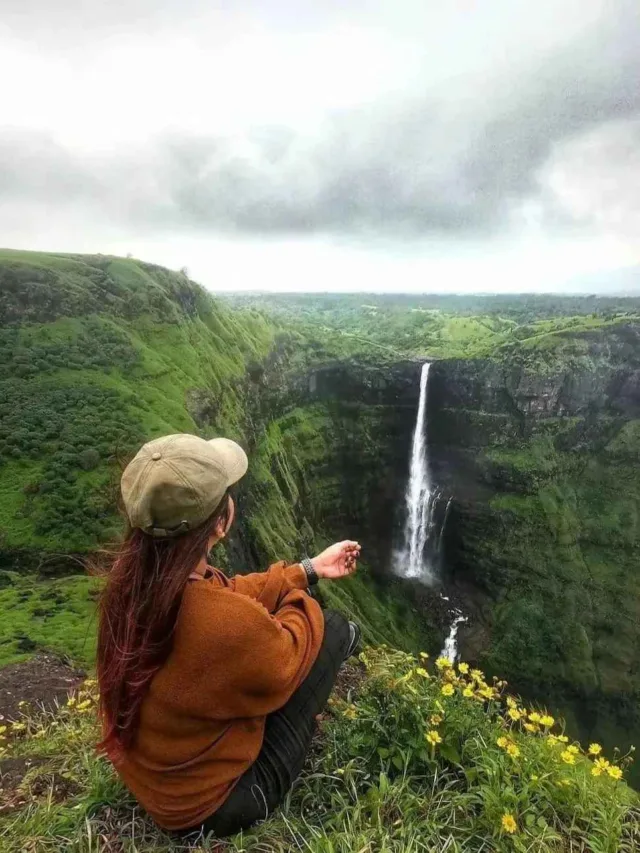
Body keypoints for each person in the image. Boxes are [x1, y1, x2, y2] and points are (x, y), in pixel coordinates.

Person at [96, 433, 362, 838]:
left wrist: (307, 570)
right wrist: (297, 596)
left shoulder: (132, 586)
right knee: (335, 629)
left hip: (158, 783)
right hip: (211, 809)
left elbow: (227, 591)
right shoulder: (227, 624)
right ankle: (357, 647)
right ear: (221, 522)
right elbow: (292, 640)